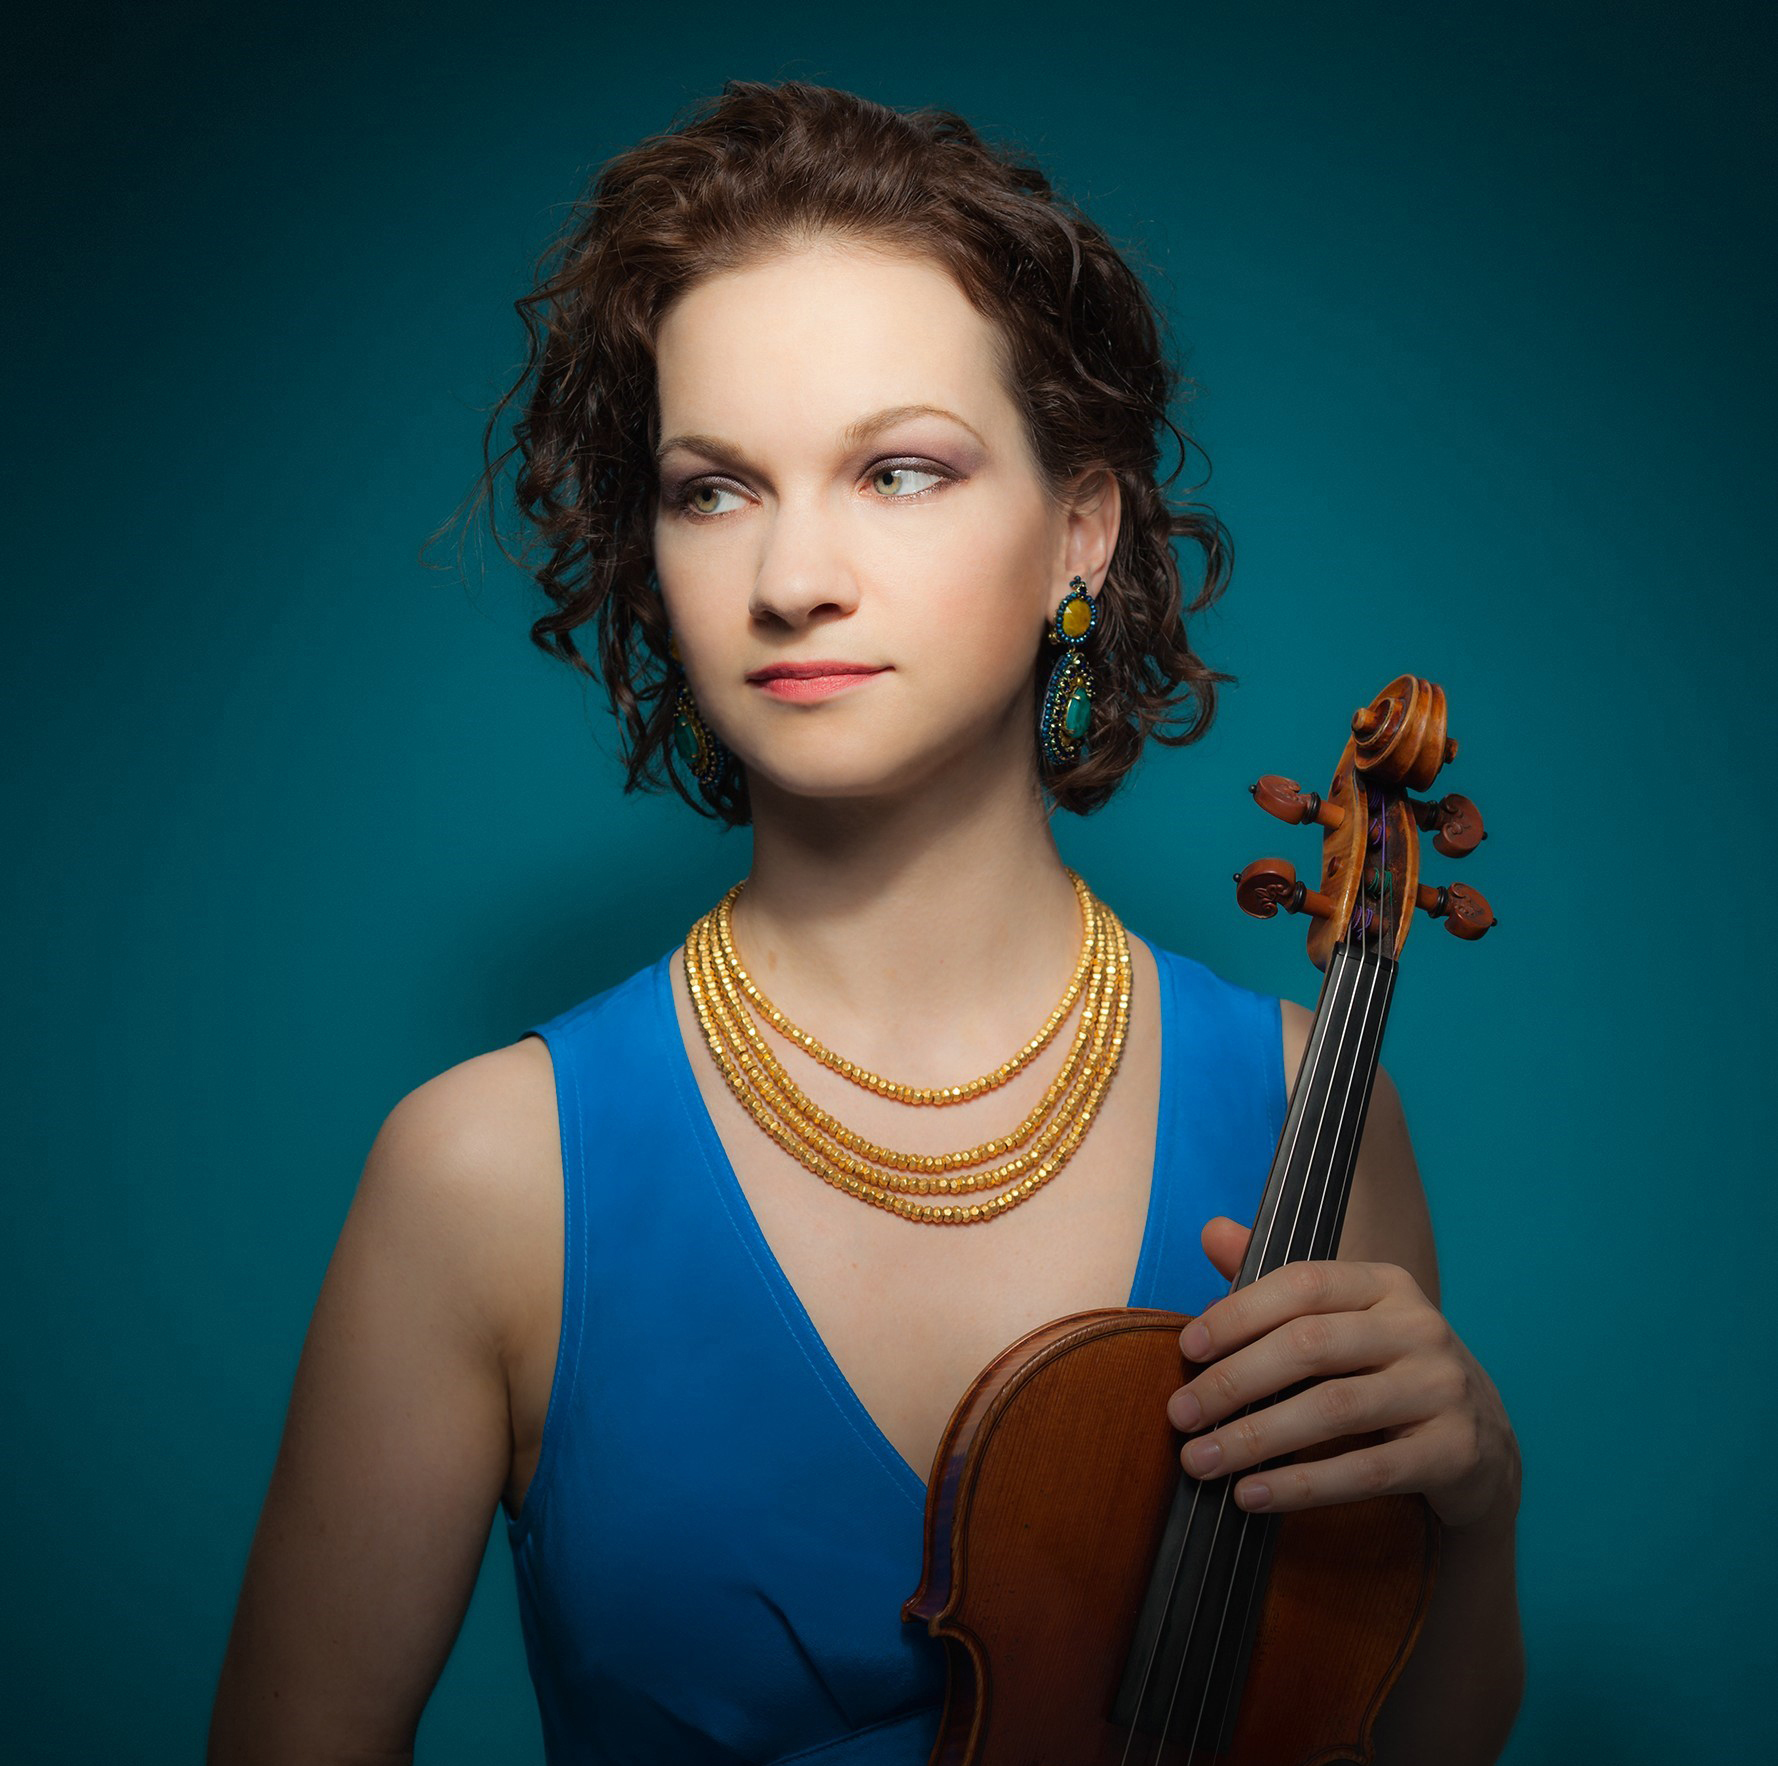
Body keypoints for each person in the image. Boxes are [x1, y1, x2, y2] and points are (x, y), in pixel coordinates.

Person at [208, 79, 1524, 1766]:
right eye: (713, 488)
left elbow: (1399, 1742)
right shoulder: (484, 1176)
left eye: (898, 469)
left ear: (1079, 528)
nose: (792, 573)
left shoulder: (1307, 1110)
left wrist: (1474, 1498)